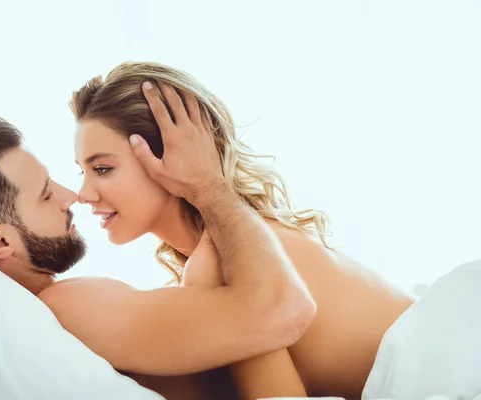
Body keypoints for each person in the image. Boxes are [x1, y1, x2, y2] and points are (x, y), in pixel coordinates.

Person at [58, 61, 416, 400]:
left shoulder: (221, 265)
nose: (84, 194)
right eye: (82, 171)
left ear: (170, 155)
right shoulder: (250, 239)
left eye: (102, 168)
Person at [0, 113, 314, 398]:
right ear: (0, 242)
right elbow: (284, 311)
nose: (71, 195)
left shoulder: (37, 324)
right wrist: (210, 189)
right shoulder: (68, 305)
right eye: (46, 194)